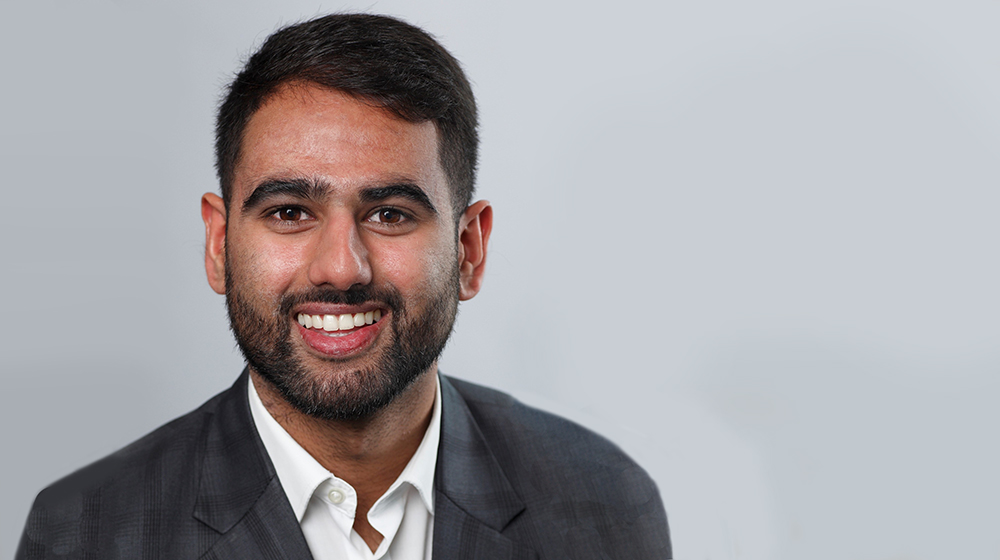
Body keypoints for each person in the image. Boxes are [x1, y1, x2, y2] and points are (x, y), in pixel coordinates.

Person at [17, 13, 671, 560]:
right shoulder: (85, 534)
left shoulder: (605, 507)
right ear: (219, 244)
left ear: (469, 250)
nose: (340, 268)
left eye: (390, 214)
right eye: (289, 212)